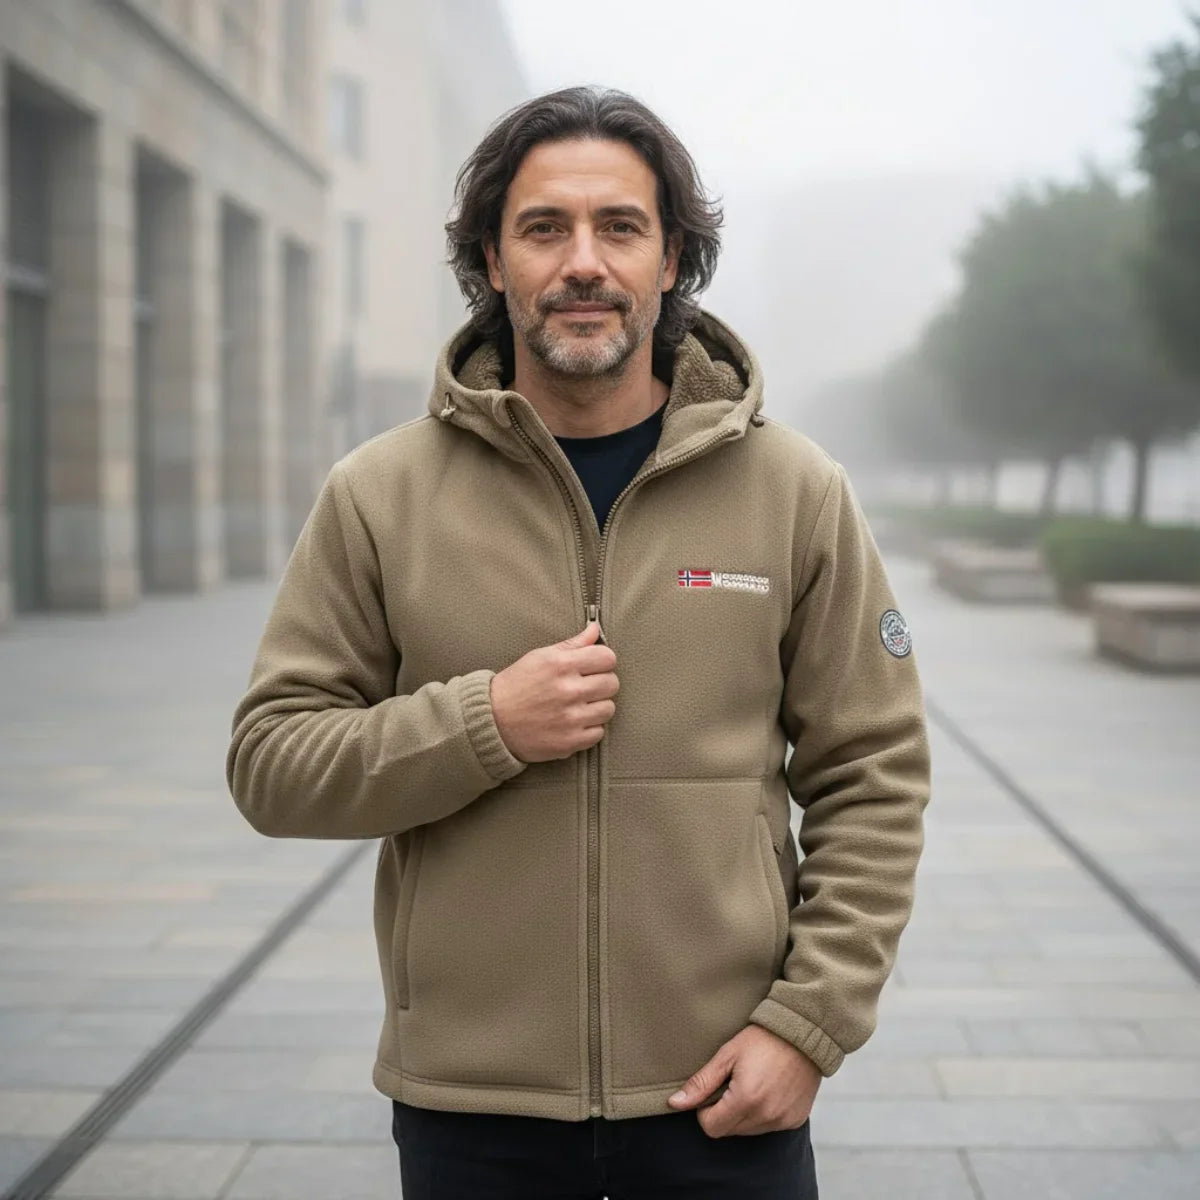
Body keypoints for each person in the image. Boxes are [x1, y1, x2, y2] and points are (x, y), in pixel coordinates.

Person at [226, 84, 931, 1200]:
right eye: (545, 228)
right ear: (493, 260)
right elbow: (271, 764)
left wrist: (809, 1025)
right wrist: (485, 724)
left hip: (725, 1095)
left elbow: (875, 775)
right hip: (472, 1111)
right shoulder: (378, 494)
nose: (584, 262)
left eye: (621, 227)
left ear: (672, 258)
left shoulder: (795, 490)